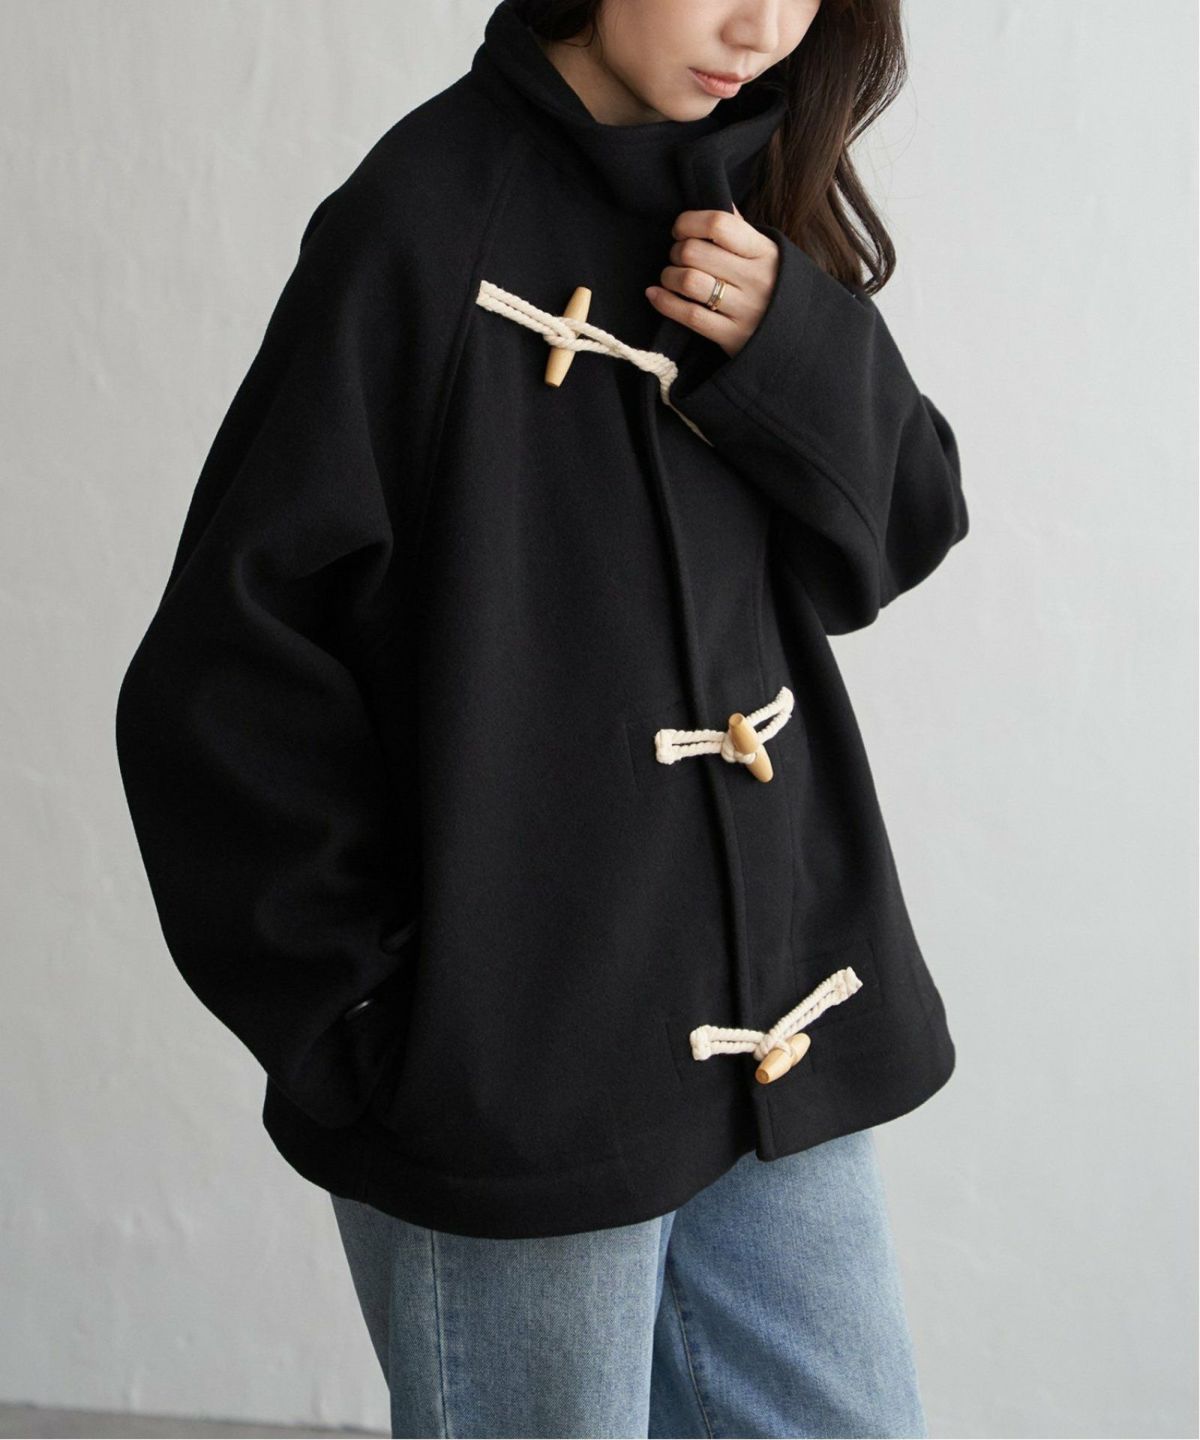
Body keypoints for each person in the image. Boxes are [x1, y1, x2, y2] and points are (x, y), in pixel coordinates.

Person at [115, 0, 969, 1434]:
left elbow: (903, 532)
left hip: (777, 1033)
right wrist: (374, 1022)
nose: (762, 28)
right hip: (511, 1075)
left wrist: (793, 341)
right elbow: (221, 675)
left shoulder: (753, 201)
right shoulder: (419, 223)